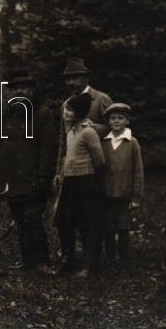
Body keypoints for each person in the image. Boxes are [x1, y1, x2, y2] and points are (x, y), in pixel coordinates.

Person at [0, 67, 57, 271]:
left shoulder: (42, 113)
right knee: (20, 220)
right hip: (13, 180)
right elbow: (3, 148)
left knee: (33, 219)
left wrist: (43, 176)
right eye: (15, 89)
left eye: (24, 88)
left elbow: (48, 148)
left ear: (32, 91)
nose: (20, 92)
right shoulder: (8, 114)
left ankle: (42, 262)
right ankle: (27, 261)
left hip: (34, 178)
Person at [53, 92, 105, 277]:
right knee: (65, 221)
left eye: (69, 110)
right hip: (70, 182)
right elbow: (68, 155)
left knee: (88, 224)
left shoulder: (88, 132)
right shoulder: (71, 131)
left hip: (86, 183)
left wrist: (90, 177)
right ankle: (69, 260)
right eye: (66, 109)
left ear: (79, 112)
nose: (65, 113)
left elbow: (99, 160)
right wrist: (61, 174)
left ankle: (91, 265)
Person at [100, 103, 144, 272]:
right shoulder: (104, 142)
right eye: (113, 118)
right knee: (108, 227)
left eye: (120, 118)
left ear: (127, 121)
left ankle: (124, 261)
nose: (116, 121)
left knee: (123, 227)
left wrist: (136, 197)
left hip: (124, 194)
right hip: (107, 194)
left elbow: (138, 170)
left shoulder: (132, 142)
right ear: (108, 122)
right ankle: (111, 260)